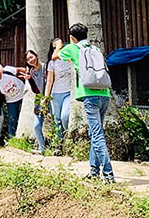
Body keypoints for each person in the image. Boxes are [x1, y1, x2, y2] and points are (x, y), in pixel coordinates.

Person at [54, 23, 114, 182]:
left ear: (72, 37)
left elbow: (54, 57)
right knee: (95, 133)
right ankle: (94, 172)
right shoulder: (95, 49)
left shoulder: (72, 48)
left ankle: (108, 174)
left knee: (97, 134)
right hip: (104, 94)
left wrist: (59, 45)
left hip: (89, 96)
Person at [20, 50, 47, 153]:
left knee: (55, 122)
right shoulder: (31, 72)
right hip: (39, 99)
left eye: (32, 57)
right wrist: (30, 79)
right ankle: (42, 148)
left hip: (50, 97)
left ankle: (57, 146)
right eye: (28, 59)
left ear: (36, 56)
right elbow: (35, 90)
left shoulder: (46, 67)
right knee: (36, 125)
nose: (31, 60)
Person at [45, 38, 72, 138]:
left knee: (65, 117)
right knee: (57, 120)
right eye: (55, 47)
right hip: (56, 94)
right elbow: (49, 81)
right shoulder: (52, 63)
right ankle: (58, 145)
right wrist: (46, 97)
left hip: (69, 92)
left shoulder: (70, 60)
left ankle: (67, 137)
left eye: (60, 46)